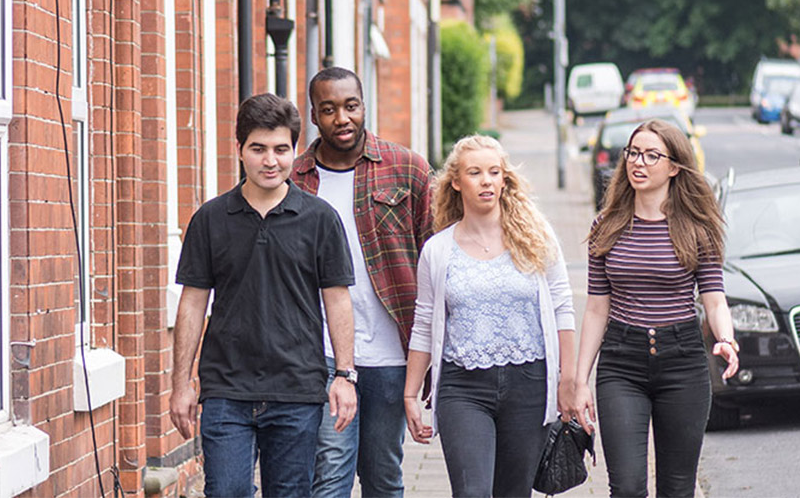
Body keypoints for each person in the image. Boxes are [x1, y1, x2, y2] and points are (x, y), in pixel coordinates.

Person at [169, 93, 358, 498]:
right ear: (239, 150)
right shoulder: (210, 219)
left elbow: (338, 300)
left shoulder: (320, 219)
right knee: (226, 492)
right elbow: (192, 303)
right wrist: (181, 382)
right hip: (225, 390)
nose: (270, 161)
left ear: (294, 151)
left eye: (281, 149)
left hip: (296, 387)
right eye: (258, 149)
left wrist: (344, 375)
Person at [571, 119, 739, 497]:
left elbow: (713, 297)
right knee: (627, 487)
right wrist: (580, 380)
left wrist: (725, 338)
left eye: (651, 155)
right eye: (633, 153)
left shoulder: (697, 229)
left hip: (682, 362)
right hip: (621, 363)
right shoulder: (606, 227)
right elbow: (597, 308)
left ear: (674, 166)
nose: (638, 162)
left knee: (677, 489)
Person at [403, 135, 577, 498]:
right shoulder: (438, 251)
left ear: (504, 180)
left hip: (528, 383)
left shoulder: (537, 237)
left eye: (494, 172)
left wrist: (569, 380)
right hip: (462, 387)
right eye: (475, 172)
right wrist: (410, 395)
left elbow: (563, 306)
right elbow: (423, 323)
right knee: (472, 493)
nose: (486, 181)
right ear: (456, 181)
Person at [291, 67, 433, 498]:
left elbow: (434, 256)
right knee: (330, 473)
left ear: (364, 105)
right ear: (314, 115)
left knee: (383, 474)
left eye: (350, 106)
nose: (342, 118)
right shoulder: (294, 181)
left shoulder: (407, 169)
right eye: (329, 109)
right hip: (322, 352)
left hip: (391, 353)